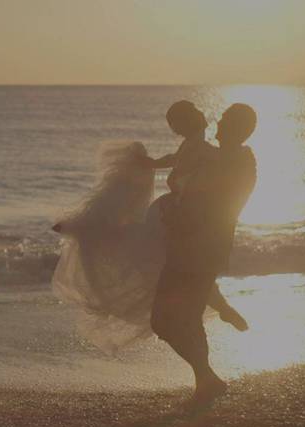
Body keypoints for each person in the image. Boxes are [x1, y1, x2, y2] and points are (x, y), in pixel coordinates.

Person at [50, 101, 246, 356]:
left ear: (185, 122)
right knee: (148, 253)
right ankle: (223, 308)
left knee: (141, 250)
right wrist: (151, 164)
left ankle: (87, 230)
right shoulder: (194, 144)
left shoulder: (203, 148)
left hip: (175, 217)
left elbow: (202, 167)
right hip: (171, 214)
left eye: (176, 123)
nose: (174, 129)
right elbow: (174, 159)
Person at [150, 103, 258, 405]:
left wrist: (181, 215)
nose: (218, 122)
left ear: (237, 128)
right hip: (187, 246)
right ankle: (207, 374)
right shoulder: (215, 156)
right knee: (163, 321)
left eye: (225, 119)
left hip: (204, 249)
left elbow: (222, 206)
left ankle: (206, 380)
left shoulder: (238, 161)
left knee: (184, 319)